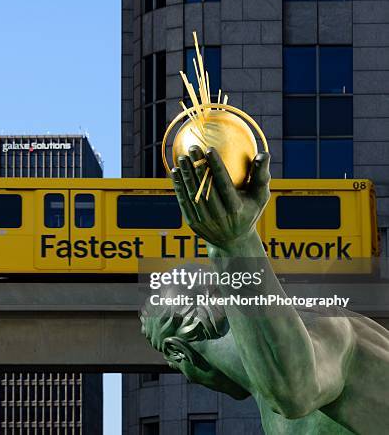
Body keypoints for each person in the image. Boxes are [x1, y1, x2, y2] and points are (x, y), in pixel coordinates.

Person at [141, 145, 389, 434]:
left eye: (179, 370)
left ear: (179, 353)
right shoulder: (272, 386)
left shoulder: (318, 324)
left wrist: (234, 245)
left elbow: (295, 392)